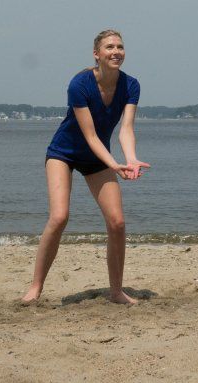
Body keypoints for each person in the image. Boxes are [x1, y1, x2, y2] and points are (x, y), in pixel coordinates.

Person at [22, 29, 149, 305]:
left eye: (120, 46)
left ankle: (116, 291)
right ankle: (35, 286)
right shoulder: (79, 84)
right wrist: (114, 164)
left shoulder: (131, 85)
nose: (116, 51)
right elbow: (90, 135)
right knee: (59, 217)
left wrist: (131, 158)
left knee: (117, 222)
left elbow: (126, 129)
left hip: (96, 158)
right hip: (64, 153)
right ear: (96, 54)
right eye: (109, 47)